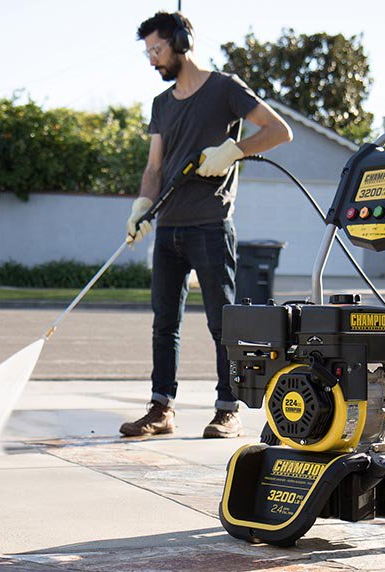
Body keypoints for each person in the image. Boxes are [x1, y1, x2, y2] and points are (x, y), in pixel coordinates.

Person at [119, 11, 292, 439]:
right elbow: (154, 167)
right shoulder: (161, 104)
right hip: (169, 228)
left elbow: (279, 131)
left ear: (180, 41)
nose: (152, 60)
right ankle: (161, 409)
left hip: (211, 225)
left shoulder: (224, 89)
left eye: (156, 50)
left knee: (221, 323)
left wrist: (234, 149)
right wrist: (142, 205)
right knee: (164, 322)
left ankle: (227, 409)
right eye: (148, 53)